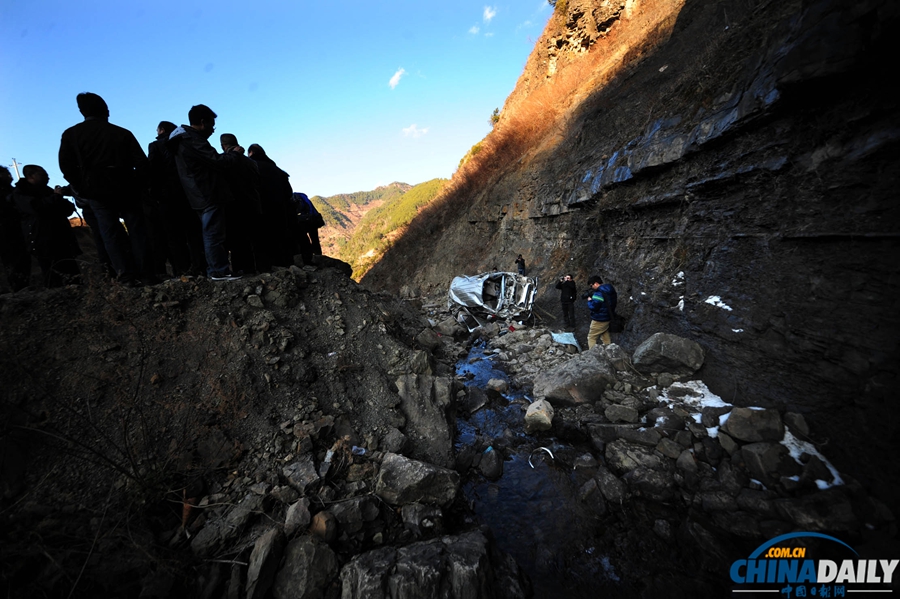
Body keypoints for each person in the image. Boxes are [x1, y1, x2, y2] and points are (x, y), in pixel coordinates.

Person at [58, 92, 156, 285]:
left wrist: (82, 187)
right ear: (106, 110)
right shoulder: (122, 133)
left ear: (81, 111)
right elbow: (143, 165)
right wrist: (136, 183)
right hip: (126, 188)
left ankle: (125, 276)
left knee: (110, 233)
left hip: (96, 192)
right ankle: (146, 275)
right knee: (137, 231)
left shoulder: (72, 134)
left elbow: (66, 167)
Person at [167, 105, 244, 281]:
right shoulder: (192, 140)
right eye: (212, 125)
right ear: (203, 123)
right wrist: (234, 154)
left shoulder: (180, 140)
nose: (212, 130)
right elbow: (216, 161)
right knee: (213, 235)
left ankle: (217, 269)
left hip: (197, 193)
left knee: (211, 233)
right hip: (208, 192)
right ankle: (219, 271)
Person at [148, 120, 206, 277]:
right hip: (188, 193)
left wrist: (154, 194)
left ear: (161, 130)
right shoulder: (184, 143)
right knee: (193, 232)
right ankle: (200, 267)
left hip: (166, 196)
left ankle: (182, 269)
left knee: (173, 236)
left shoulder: (155, 146)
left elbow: (152, 170)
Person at [10, 165, 82, 287]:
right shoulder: (20, 193)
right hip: (42, 240)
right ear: (31, 176)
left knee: (72, 274)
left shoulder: (47, 191)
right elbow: (36, 207)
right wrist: (56, 198)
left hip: (62, 239)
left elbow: (68, 208)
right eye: (43, 175)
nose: (47, 177)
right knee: (52, 276)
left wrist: (57, 199)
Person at [218, 133, 261, 274]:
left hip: (233, 204)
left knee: (236, 239)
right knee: (253, 238)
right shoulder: (251, 162)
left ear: (223, 145)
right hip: (252, 202)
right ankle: (255, 267)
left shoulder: (224, 160)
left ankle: (239, 268)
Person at [248, 143, 295, 268]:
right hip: (280, 210)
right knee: (281, 239)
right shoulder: (278, 170)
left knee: (262, 240)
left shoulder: (250, 167)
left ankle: (264, 268)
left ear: (251, 153)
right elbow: (288, 192)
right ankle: (285, 265)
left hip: (260, 210)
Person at [0, 166, 31, 291]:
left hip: (17, 229)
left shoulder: (13, 190)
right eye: (6, 174)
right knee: (15, 260)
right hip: (8, 231)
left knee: (20, 259)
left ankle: (21, 286)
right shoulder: (8, 192)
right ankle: (19, 288)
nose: (10, 176)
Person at [586, 274, 617, 348]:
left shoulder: (599, 294)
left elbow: (594, 307)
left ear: (596, 283)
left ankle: (592, 355)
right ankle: (610, 351)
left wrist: (589, 301)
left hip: (599, 319)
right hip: (608, 316)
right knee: (604, 335)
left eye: (591, 285)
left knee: (591, 337)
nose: (592, 287)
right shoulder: (610, 289)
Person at [293, 192, 323, 265]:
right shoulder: (303, 198)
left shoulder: (294, 199)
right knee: (315, 239)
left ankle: (308, 258)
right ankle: (318, 256)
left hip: (303, 222)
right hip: (312, 220)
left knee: (304, 240)